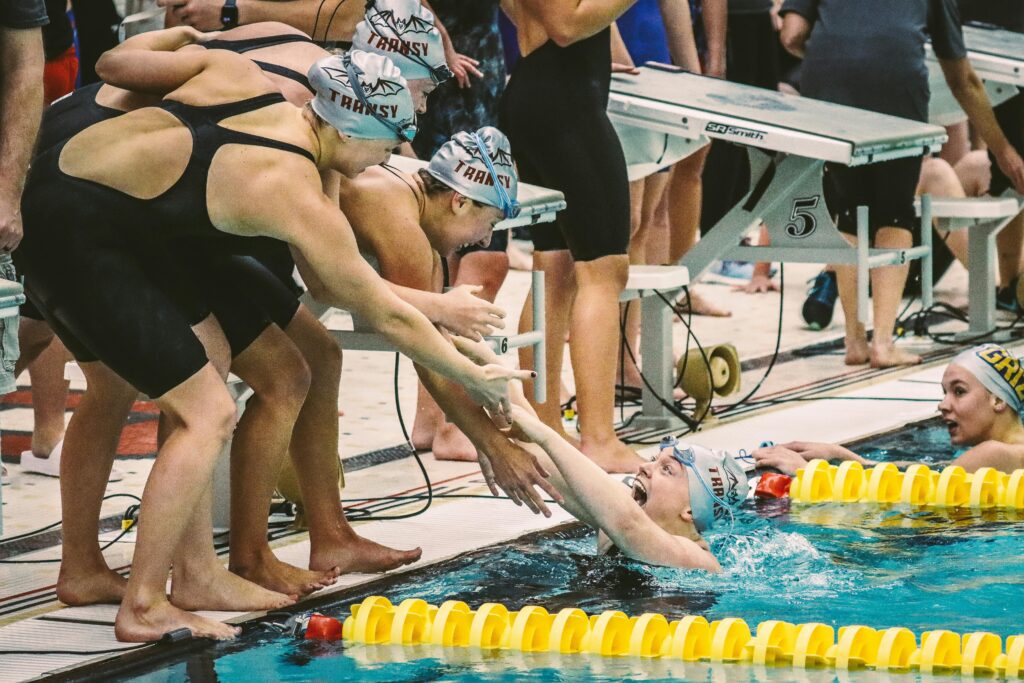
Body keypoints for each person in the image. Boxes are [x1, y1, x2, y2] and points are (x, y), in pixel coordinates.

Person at [19, 41, 530, 641]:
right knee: (206, 412)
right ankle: (145, 605)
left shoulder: (240, 73)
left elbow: (114, 64)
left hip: (80, 196)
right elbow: (379, 311)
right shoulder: (291, 189)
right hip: (80, 236)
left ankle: (121, 571)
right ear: (354, 130)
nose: (387, 161)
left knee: (165, 373)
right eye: (387, 145)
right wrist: (472, 374)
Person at [780, 0, 1024, 368]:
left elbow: (792, 33)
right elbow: (963, 80)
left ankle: (854, 342)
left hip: (825, 79)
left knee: (850, 210)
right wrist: (1004, 149)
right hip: (894, 81)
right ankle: (882, 344)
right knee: (894, 211)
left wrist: (837, 55)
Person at [338, 126, 563, 515]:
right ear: (459, 202)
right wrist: (495, 447)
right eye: (489, 224)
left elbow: (434, 340)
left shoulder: (410, 205)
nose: (480, 241)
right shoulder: (402, 226)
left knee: (311, 366)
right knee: (303, 371)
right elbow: (423, 349)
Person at [500, 0, 644, 473]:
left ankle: (541, 423)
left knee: (555, 267)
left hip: (546, 96)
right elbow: (566, 24)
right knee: (604, 270)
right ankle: (599, 437)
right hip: (563, 104)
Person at [458, 336, 745, 570]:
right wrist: (482, 357)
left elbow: (629, 526)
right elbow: (534, 450)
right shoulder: (618, 515)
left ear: (691, 510)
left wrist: (546, 434)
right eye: (654, 461)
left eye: (666, 470)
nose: (645, 468)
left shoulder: (697, 559)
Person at [408, 0, 513, 460]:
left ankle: (432, 418)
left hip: (471, 75)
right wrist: (442, 44)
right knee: (479, 258)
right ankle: (454, 421)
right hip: (454, 83)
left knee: (450, 261)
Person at [754, 343, 1024, 476]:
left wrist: (808, 474)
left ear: (998, 400)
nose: (943, 405)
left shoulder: (996, 453)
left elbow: (910, 494)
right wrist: (843, 456)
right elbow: (933, 472)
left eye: (959, 391)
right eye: (945, 393)